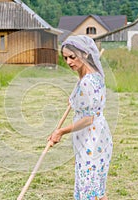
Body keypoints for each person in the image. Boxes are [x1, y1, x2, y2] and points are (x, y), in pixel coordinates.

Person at [48, 35, 113, 200]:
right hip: (100, 136)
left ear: (84, 54)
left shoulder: (87, 82)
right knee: (96, 190)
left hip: (91, 140)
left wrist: (61, 131)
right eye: (65, 58)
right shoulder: (95, 75)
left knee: (88, 191)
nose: (69, 62)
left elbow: (88, 118)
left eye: (72, 57)